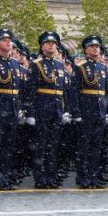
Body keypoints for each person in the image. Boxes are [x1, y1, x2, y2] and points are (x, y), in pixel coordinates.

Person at [28, 31, 70, 189]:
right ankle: (40, 178)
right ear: (42, 46)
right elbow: (30, 91)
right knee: (41, 145)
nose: (51, 45)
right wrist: (31, 113)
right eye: (48, 43)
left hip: (57, 110)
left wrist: (65, 110)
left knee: (54, 145)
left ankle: (50, 176)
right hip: (42, 109)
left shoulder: (60, 65)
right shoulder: (36, 64)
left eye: (53, 43)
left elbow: (63, 90)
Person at [73, 35, 108, 189]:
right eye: (92, 46)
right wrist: (76, 112)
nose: (96, 49)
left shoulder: (102, 68)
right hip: (86, 111)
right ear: (85, 50)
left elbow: (106, 92)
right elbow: (74, 91)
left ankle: (93, 177)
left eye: (97, 46)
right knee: (84, 146)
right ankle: (82, 177)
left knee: (97, 147)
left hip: (99, 112)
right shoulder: (80, 67)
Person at [0, 29, 24, 190]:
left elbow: (19, 90)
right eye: (4, 40)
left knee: (9, 146)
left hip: (12, 110)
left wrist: (21, 109)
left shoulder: (15, 64)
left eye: (9, 40)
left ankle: (5, 177)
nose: (8, 42)